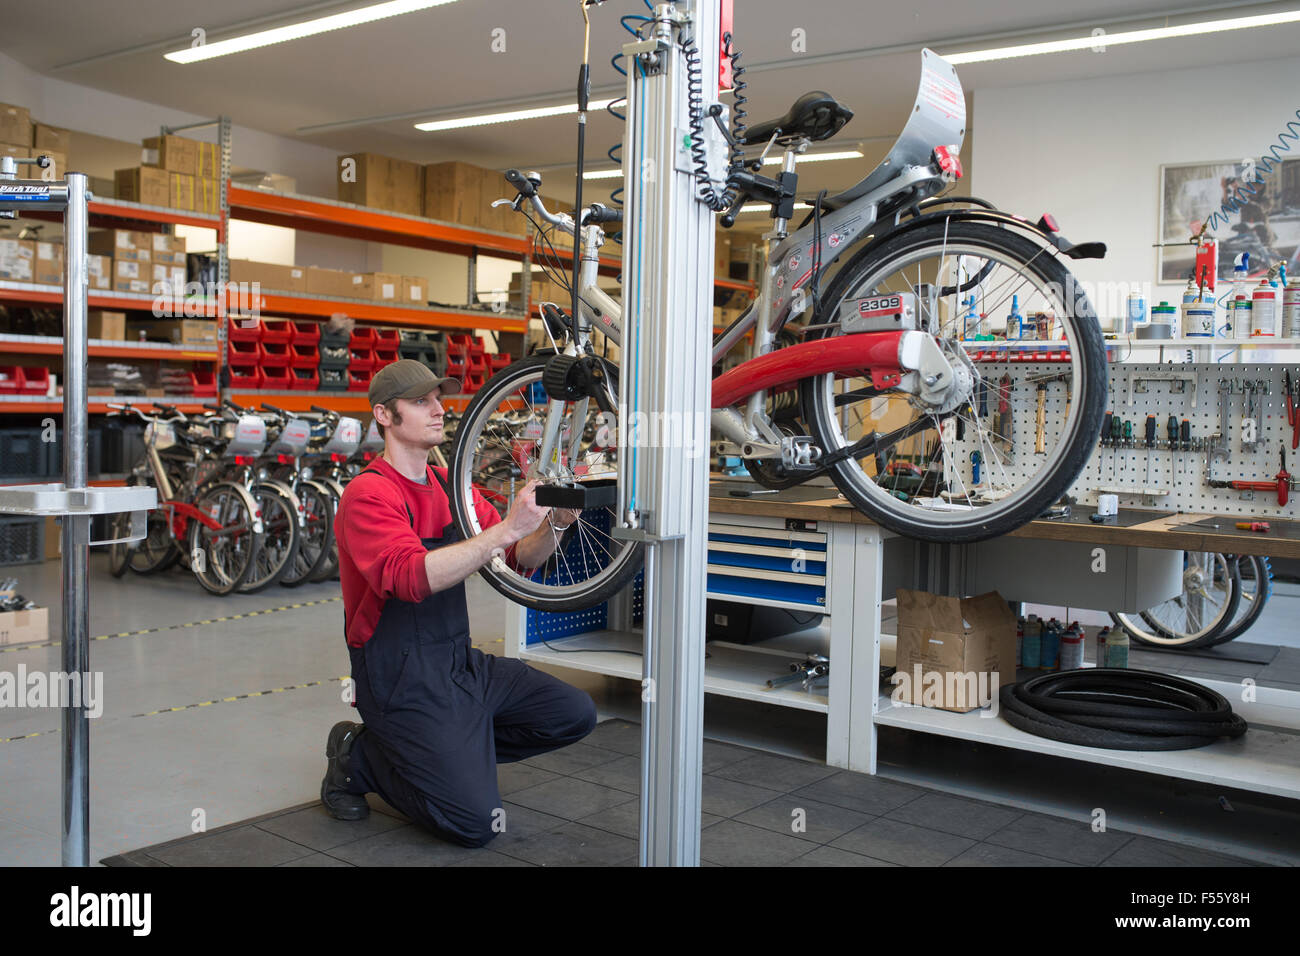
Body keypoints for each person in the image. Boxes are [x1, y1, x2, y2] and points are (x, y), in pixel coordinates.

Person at [323, 358, 595, 847]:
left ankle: (449, 752)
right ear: (384, 415)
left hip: (456, 662)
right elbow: (409, 577)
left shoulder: (455, 490)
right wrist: (507, 526)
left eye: (439, 399)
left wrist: (556, 523)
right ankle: (359, 754)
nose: (438, 409)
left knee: (573, 713)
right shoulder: (368, 493)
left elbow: (518, 558)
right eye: (421, 401)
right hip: (396, 677)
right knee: (473, 825)